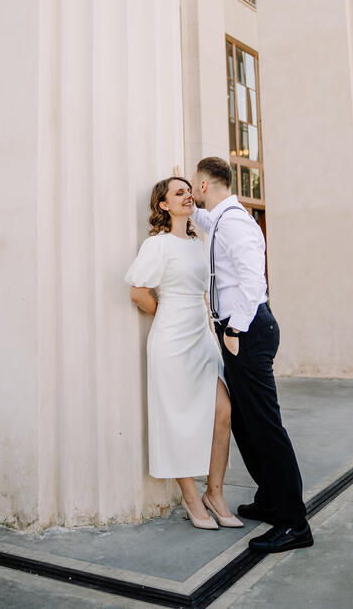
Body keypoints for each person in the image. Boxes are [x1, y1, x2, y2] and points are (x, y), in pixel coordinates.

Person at [189, 156, 313, 554]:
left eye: (193, 184)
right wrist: (188, 206)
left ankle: (293, 522)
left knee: (265, 425)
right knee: (245, 423)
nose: (192, 190)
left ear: (205, 185)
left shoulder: (236, 223)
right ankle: (271, 499)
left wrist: (234, 331)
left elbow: (252, 281)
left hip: (247, 331)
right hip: (242, 331)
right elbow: (205, 221)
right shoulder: (221, 219)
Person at [125, 176, 243, 530]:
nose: (188, 195)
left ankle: (215, 493)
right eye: (179, 193)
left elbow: (204, 292)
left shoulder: (197, 242)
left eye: (189, 190)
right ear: (164, 205)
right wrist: (167, 315)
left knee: (223, 412)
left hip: (201, 338)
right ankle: (191, 498)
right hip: (171, 342)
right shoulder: (157, 245)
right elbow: (138, 292)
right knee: (175, 418)